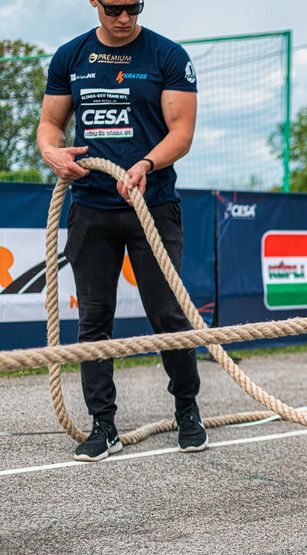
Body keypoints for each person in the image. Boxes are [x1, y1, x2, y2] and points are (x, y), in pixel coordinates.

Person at [37, 0, 206, 462]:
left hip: (152, 205)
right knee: (94, 320)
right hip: (91, 207)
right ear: (94, 2)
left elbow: (181, 132)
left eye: (134, 6)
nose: (125, 17)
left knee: (168, 314)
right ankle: (103, 424)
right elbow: (50, 124)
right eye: (114, 7)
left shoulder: (168, 56)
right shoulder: (70, 56)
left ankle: (187, 410)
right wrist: (52, 152)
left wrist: (147, 163)